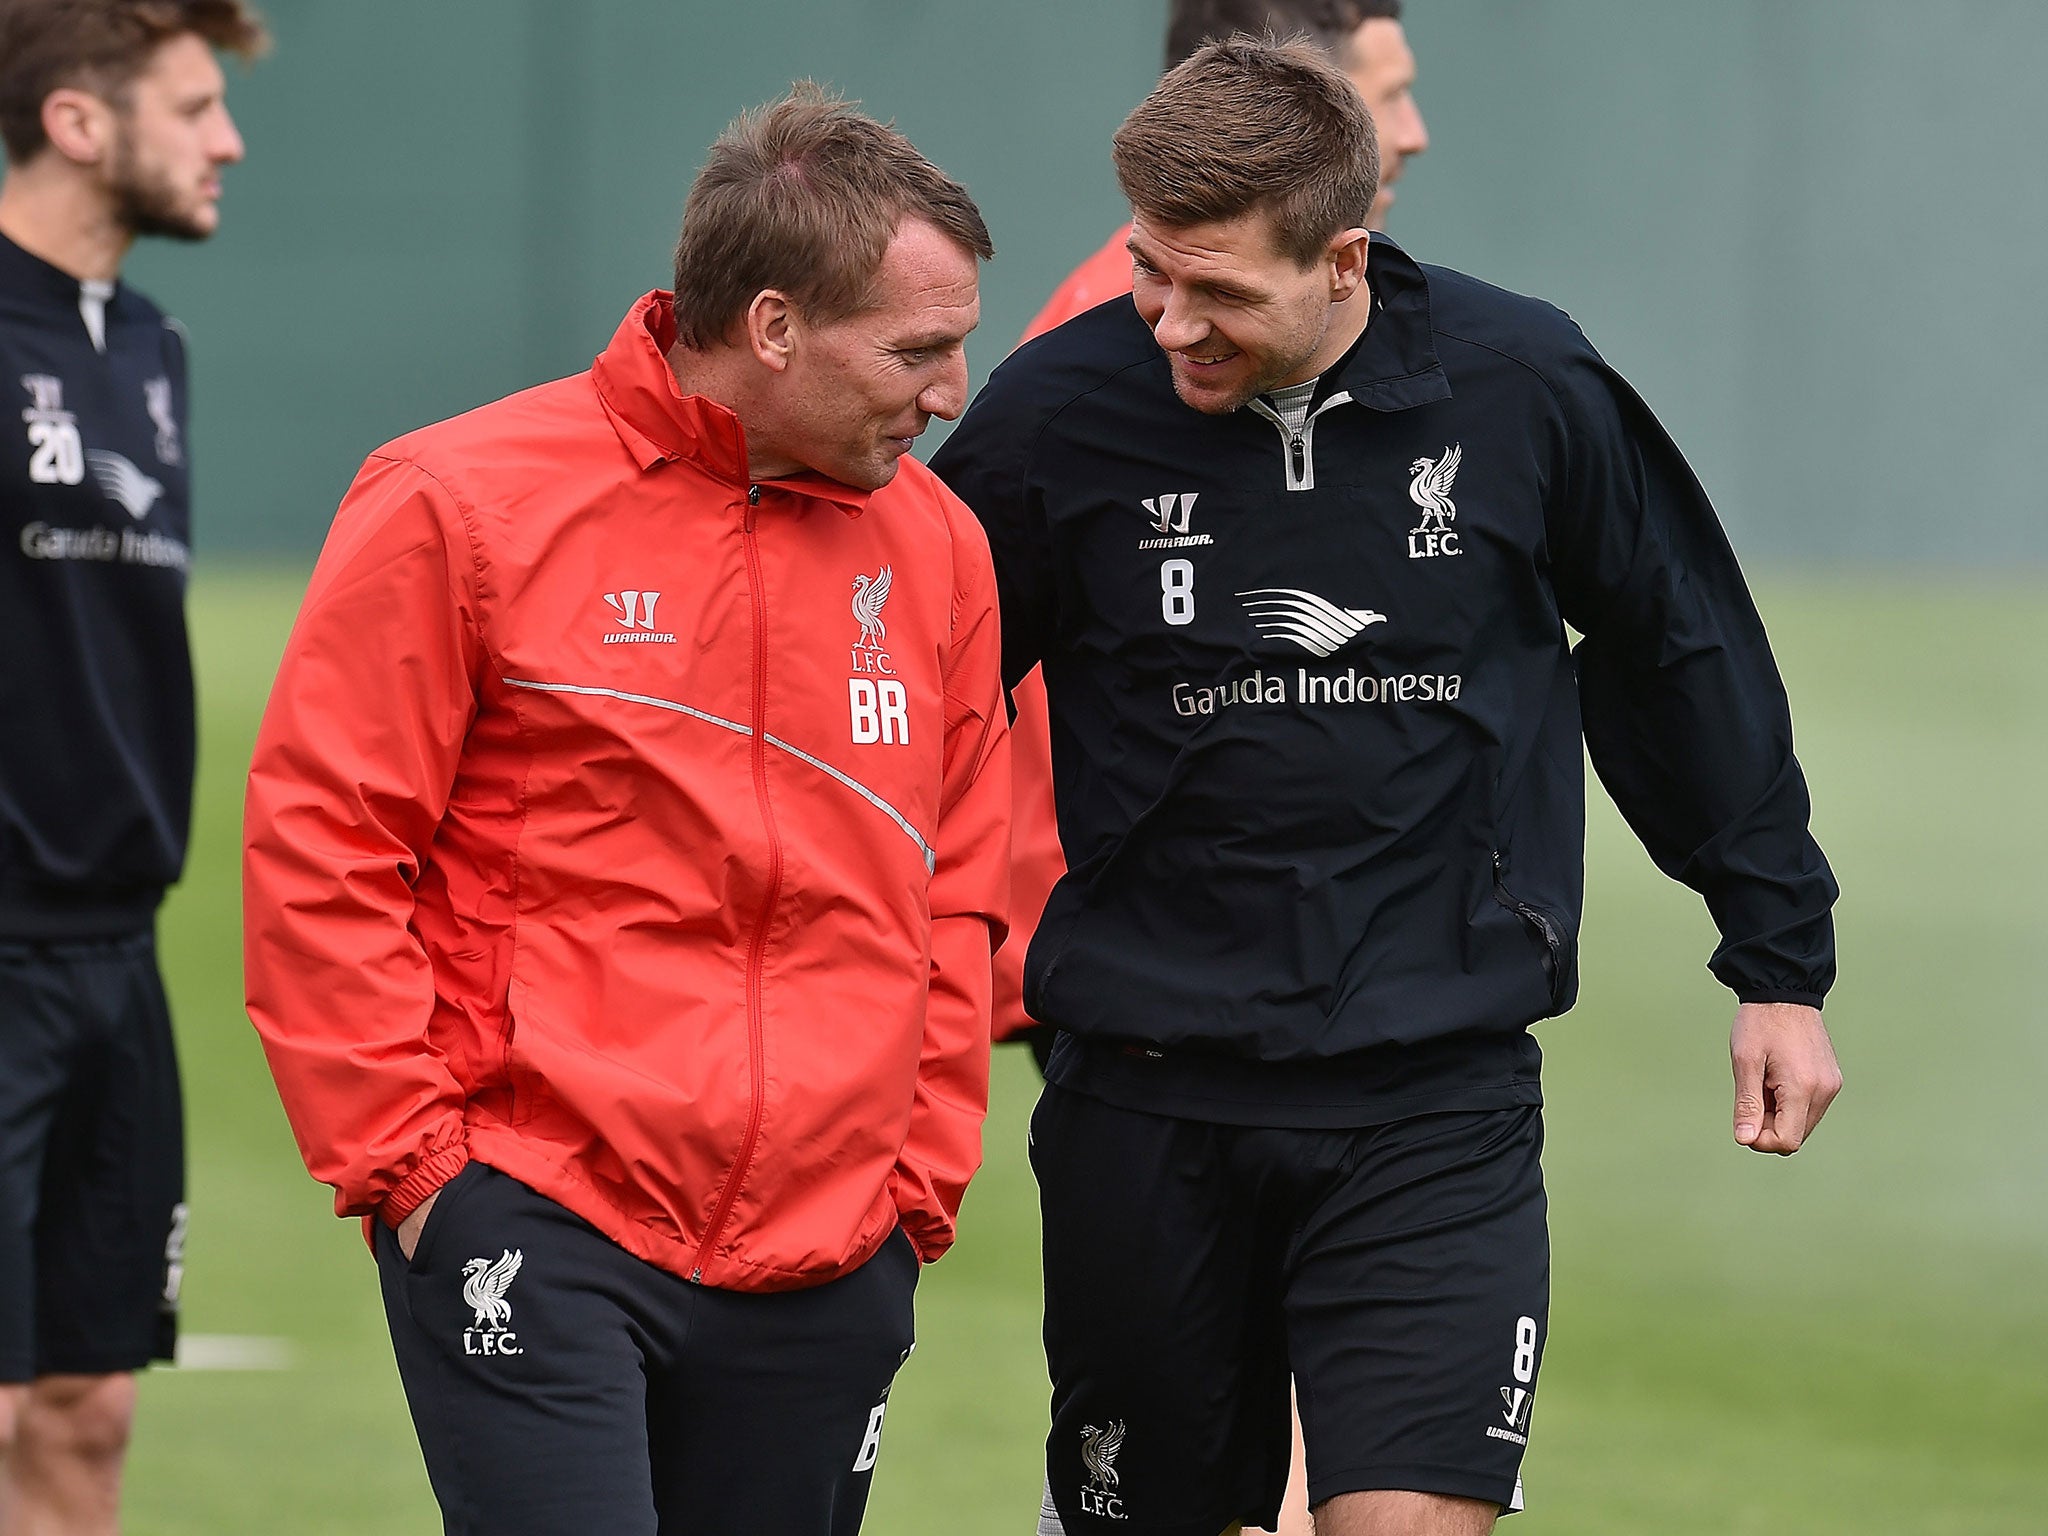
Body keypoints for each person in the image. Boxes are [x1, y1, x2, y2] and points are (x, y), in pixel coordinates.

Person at [933, 36, 1842, 1536]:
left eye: (1219, 290)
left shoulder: (1524, 386)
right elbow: (917, 702)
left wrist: (1777, 960)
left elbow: (1677, 648)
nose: (1170, 323)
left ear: (1345, 256)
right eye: (1153, 272)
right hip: (1148, 1099)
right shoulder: (1058, 414)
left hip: (1437, 1094)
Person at [242, 86, 1010, 1536]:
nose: (953, 389)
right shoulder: (454, 501)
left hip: (832, 1250)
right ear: (774, 327)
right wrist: (417, 1170)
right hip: (535, 1211)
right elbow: (325, 841)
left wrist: (915, 1185)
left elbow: (959, 879)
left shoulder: (944, 551)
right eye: (917, 348)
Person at [1000, 0, 1428, 1074]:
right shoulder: (1122, 353)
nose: (1412, 132)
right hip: (1149, 944)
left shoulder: (1292, 313)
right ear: (1291, 106)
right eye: (1385, 97)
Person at [0, 3, 264, 1532]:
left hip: (118, 954)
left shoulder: (149, 346)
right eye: (192, 106)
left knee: (89, 1414)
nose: (226, 140)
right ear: (80, 125)